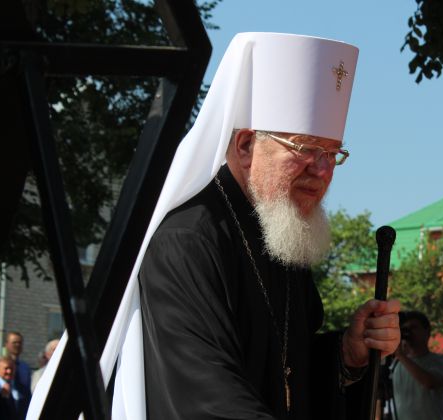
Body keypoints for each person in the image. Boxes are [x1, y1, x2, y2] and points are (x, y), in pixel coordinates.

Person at [27, 32, 401, 420]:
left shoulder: (280, 234)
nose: (322, 170)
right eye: (305, 149)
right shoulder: (186, 241)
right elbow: (203, 396)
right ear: (245, 145)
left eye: (332, 153)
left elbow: (287, 374)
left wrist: (348, 354)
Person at [390, 311, 443, 420]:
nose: (409, 333)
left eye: (413, 328)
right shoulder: (397, 364)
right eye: (405, 329)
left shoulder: (439, 361)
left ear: (427, 332)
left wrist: (400, 355)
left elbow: (429, 382)